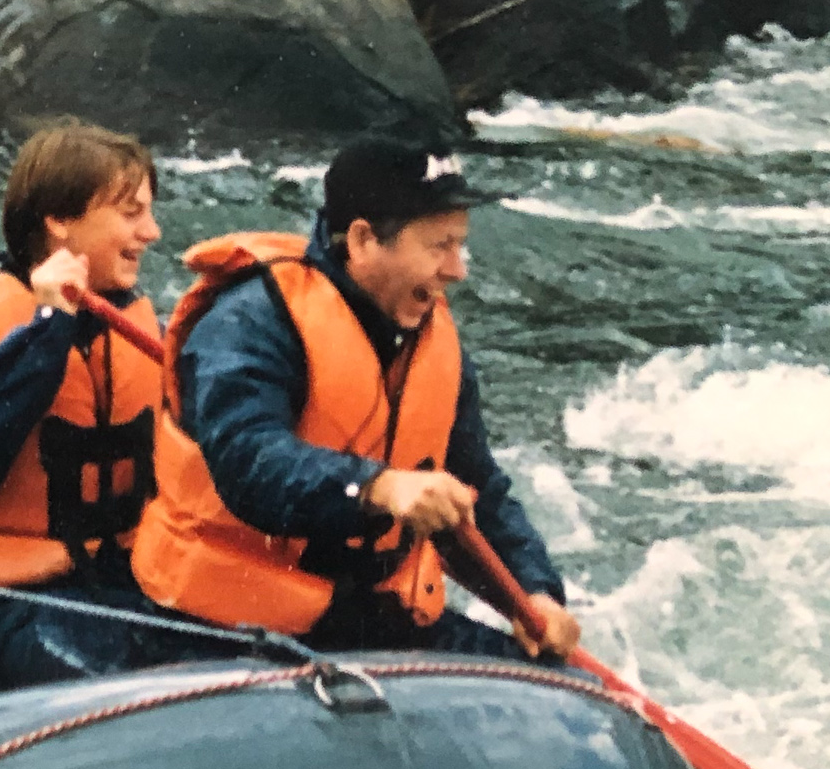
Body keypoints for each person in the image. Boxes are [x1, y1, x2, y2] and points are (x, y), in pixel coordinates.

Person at [133, 140, 583, 662]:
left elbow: (478, 489)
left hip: (370, 620)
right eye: (439, 246)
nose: (457, 270)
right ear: (364, 240)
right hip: (227, 626)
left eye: (460, 246)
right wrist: (377, 487)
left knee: (566, 690)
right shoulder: (250, 320)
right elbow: (247, 460)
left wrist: (534, 593)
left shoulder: (433, 339)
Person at [0, 123, 197, 685]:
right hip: (2, 599)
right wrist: (45, 331)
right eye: (131, 213)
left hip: (121, 583)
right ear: (60, 221)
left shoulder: (139, 327)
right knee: (120, 692)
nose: (153, 232)